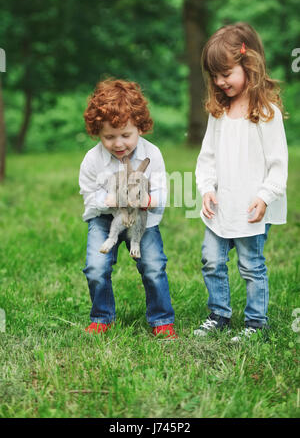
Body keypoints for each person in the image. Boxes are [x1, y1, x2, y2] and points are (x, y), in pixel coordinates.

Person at [194, 22, 288, 342]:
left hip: (251, 206)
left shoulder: (266, 113)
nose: (220, 82)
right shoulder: (218, 111)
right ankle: (219, 313)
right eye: (215, 76)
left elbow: (278, 166)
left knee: (251, 265)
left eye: (226, 74)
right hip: (222, 204)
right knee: (211, 259)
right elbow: (207, 156)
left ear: (248, 65)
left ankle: (256, 323)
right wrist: (206, 188)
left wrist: (265, 196)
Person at [79, 79, 177, 339]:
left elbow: (162, 193)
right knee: (96, 268)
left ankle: (162, 319)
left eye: (126, 135)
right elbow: (89, 196)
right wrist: (109, 200)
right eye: (109, 137)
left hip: (142, 220)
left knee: (154, 266)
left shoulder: (151, 155)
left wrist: (143, 201)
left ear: (140, 128)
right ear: (97, 132)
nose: (118, 143)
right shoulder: (92, 160)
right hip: (104, 220)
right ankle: (102, 316)